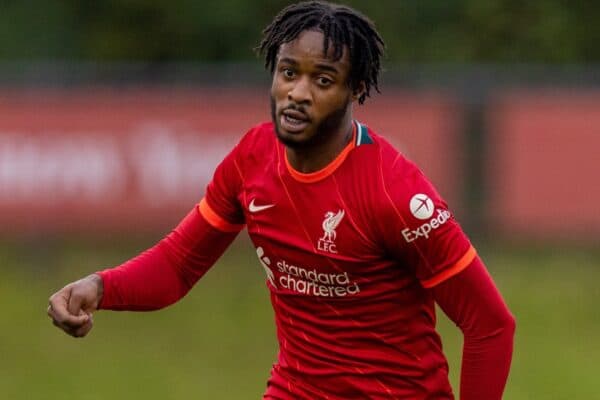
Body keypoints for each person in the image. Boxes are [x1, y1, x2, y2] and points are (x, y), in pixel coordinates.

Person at [47, 1, 515, 399]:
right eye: (289, 72)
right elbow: (178, 265)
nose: (298, 93)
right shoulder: (252, 158)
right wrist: (101, 286)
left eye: (323, 80)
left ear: (355, 90)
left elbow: (490, 326)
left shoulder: (395, 192)